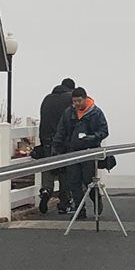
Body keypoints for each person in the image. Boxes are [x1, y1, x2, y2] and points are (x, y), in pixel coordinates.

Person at [54, 86, 108, 217]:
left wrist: (93, 137)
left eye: (79, 101)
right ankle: (79, 210)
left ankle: (96, 200)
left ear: (85, 99)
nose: (76, 104)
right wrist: (56, 148)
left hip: (89, 151)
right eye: (74, 101)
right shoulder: (68, 113)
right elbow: (61, 131)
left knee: (88, 180)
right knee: (74, 181)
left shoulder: (96, 113)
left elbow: (104, 131)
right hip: (72, 151)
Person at [35, 76, 75, 216]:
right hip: (63, 141)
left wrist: (42, 140)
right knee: (65, 171)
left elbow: (43, 121)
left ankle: (46, 191)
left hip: (46, 139)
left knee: (48, 168)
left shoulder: (47, 99)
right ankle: (63, 203)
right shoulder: (70, 99)